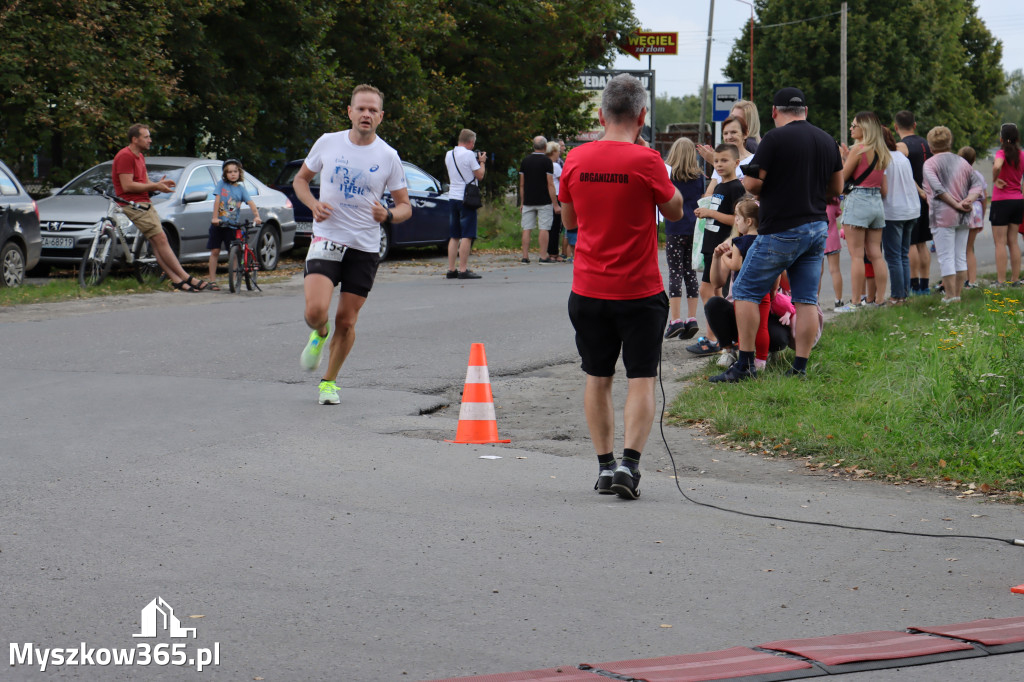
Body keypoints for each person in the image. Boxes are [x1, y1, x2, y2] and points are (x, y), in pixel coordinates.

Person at [558, 74, 683, 499]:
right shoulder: (647, 161)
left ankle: (604, 466)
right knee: (642, 379)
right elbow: (676, 209)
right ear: (642, 116)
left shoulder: (575, 158)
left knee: (597, 378)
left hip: (589, 289)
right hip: (640, 292)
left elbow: (570, 222)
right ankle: (630, 466)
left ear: (600, 114)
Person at [293, 84, 412, 405]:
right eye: (361, 108)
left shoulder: (388, 156)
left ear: (381, 117)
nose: (366, 114)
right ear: (349, 111)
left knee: (347, 319)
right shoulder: (328, 143)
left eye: (373, 110)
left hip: (364, 246)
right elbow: (300, 180)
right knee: (316, 310)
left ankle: (329, 382)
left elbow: (405, 206)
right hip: (327, 237)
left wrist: (387, 214)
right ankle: (319, 333)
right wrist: (312, 203)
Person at [714, 86, 843, 382]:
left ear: (774, 112)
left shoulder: (773, 138)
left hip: (782, 228)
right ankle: (799, 367)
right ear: (805, 112)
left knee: (745, 290)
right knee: (806, 299)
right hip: (816, 226)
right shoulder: (826, 140)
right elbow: (836, 188)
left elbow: (753, 185)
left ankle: (745, 365)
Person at [112, 124, 214, 291]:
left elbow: (143, 183)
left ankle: (176, 279)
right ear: (134, 139)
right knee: (161, 240)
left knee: (157, 242)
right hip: (132, 204)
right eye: (146, 137)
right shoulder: (125, 156)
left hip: (144, 203)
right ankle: (187, 278)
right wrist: (156, 187)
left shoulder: (140, 157)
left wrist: (158, 185)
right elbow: (127, 186)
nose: (150, 140)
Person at [687, 144, 744, 356]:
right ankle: (720, 339)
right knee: (717, 292)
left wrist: (710, 213)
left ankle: (714, 338)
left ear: (737, 163)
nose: (719, 165)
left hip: (722, 247)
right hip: (711, 245)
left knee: (706, 290)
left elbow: (736, 219)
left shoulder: (736, 188)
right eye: (716, 161)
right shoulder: (720, 186)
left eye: (724, 160)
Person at [922, 126, 984, 303]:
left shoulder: (929, 164)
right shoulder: (962, 162)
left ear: (930, 145)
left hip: (942, 217)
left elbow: (937, 189)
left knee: (946, 257)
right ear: (950, 143)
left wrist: (956, 204)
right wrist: (968, 201)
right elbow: (977, 186)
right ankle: (957, 295)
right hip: (964, 216)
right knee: (960, 256)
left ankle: (949, 297)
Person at [840, 111, 890, 307]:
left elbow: (843, 177)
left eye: (854, 126)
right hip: (876, 201)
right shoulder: (881, 150)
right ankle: (880, 299)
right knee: (876, 254)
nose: (851, 129)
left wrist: (845, 159)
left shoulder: (858, 150)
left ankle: (854, 302)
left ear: (865, 128)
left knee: (857, 256)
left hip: (858, 200)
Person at [662, 137, 705, 341]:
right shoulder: (699, 177)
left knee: (675, 273)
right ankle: (692, 319)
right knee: (690, 272)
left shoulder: (669, 176)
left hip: (675, 227)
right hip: (693, 229)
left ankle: (675, 320)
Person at [894, 111, 932, 295]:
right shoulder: (926, 143)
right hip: (928, 196)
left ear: (895, 126)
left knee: (911, 243)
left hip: (912, 197)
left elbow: (904, 173)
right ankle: (925, 284)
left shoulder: (901, 146)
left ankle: (914, 284)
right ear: (915, 125)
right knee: (923, 243)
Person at [206, 159, 261, 288]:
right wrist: (215, 218)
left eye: (235, 171)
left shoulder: (241, 189)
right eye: (229, 172)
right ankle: (212, 281)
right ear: (225, 174)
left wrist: (257, 216)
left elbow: (251, 203)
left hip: (232, 226)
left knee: (233, 252)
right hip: (219, 224)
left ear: (239, 173)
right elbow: (217, 200)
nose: (232, 174)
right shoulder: (222, 184)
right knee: (215, 251)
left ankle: (235, 278)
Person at [881, 127, 920, 304]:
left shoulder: (884, 159)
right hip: (911, 209)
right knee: (903, 254)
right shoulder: (902, 157)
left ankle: (897, 295)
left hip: (893, 211)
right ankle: (905, 293)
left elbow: (884, 189)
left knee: (893, 256)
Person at [444, 128, 486, 280]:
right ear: (469, 142)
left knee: (454, 235)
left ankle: (451, 269)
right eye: (473, 143)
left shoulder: (449, 154)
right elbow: (480, 175)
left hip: (452, 197)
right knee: (467, 235)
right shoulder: (469, 154)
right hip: (466, 198)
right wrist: (482, 162)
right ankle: (463, 269)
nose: (473, 147)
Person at [990, 123, 1023, 286]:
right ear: (1017, 139)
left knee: (1000, 242)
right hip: (1017, 199)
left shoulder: (1001, 153)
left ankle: (1001, 281)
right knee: (1013, 241)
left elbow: (997, 165)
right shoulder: (1022, 155)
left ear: (1001, 139)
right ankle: (1015, 279)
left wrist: (995, 179)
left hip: (1001, 201)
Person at [518, 136, 560, 263]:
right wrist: (555, 204)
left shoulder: (525, 161)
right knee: (544, 227)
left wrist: (522, 202)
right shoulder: (547, 162)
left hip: (528, 200)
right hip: (544, 200)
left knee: (527, 228)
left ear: (533, 146)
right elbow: (550, 184)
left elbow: (521, 184)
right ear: (545, 147)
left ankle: (525, 257)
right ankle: (543, 256)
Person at [696, 115, 752, 196]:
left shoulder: (754, 160)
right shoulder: (720, 162)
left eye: (733, 132)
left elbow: (752, 194)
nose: (729, 137)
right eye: (725, 133)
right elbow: (709, 194)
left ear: (745, 134)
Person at [957, 146, 987, 288]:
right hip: (977, 210)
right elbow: (984, 196)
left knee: (961, 248)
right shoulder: (978, 175)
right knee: (970, 248)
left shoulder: (958, 174)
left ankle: (960, 280)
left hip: (965, 209)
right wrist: (983, 214)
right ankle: (972, 280)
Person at [545, 141, 566, 261]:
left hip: (546, 196)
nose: (559, 154)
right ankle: (554, 253)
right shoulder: (555, 166)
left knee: (547, 225)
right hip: (556, 195)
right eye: (558, 151)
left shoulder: (544, 164)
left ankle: (548, 251)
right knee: (556, 226)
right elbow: (562, 181)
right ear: (553, 152)